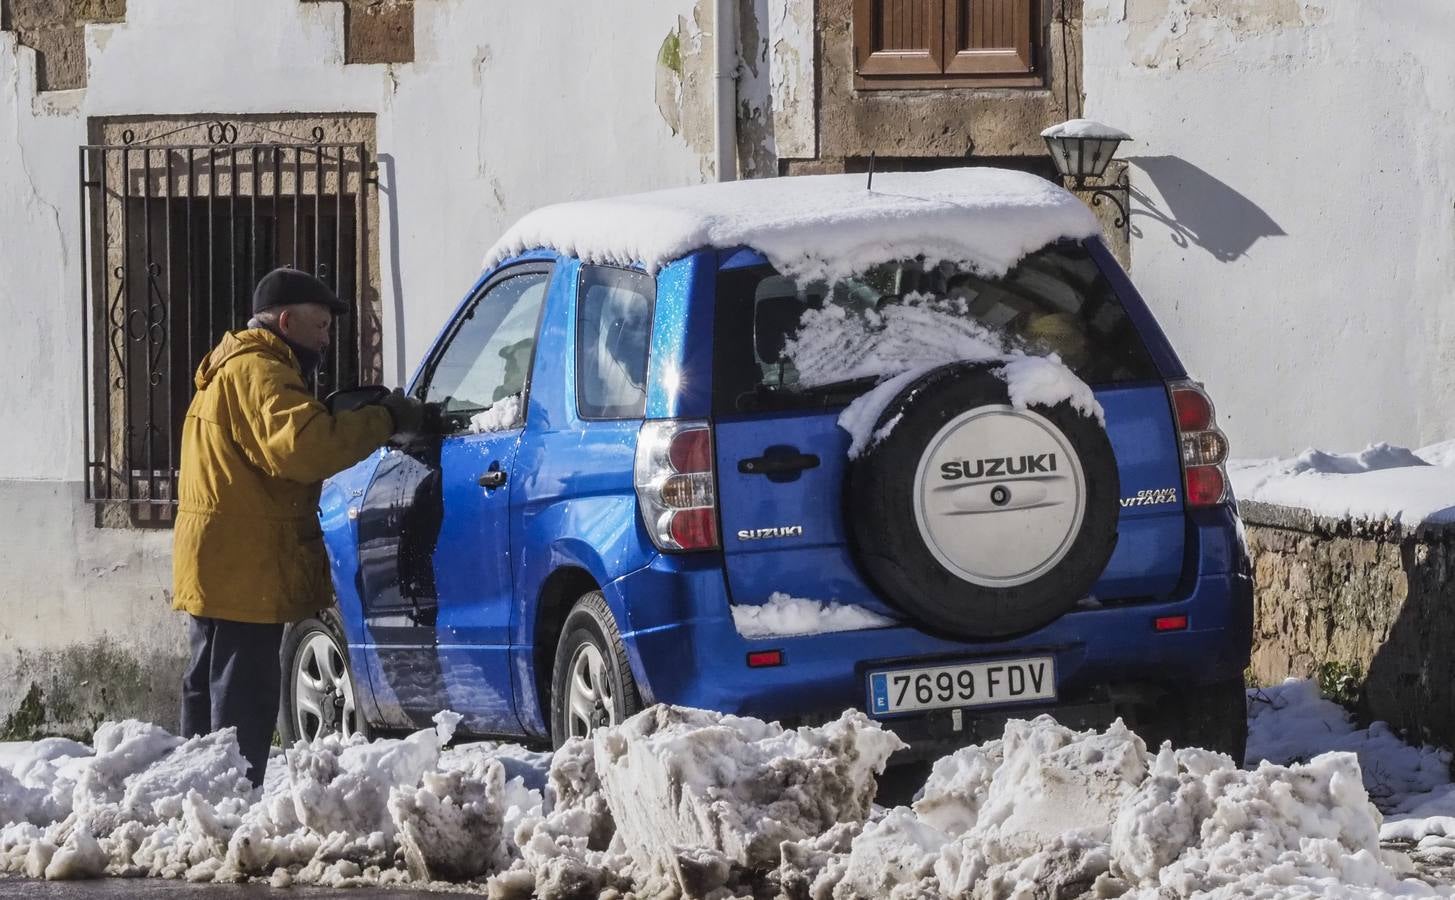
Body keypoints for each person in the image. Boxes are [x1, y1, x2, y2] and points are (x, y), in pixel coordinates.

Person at [172, 267, 422, 787]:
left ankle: (195, 803)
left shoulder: (231, 367)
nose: (326, 340)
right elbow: (305, 448)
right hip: (245, 566)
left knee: (209, 691)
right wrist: (385, 419)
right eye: (320, 326)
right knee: (242, 697)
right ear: (286, 321)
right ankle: (231, 803)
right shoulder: (261, 370)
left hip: (218, 560)